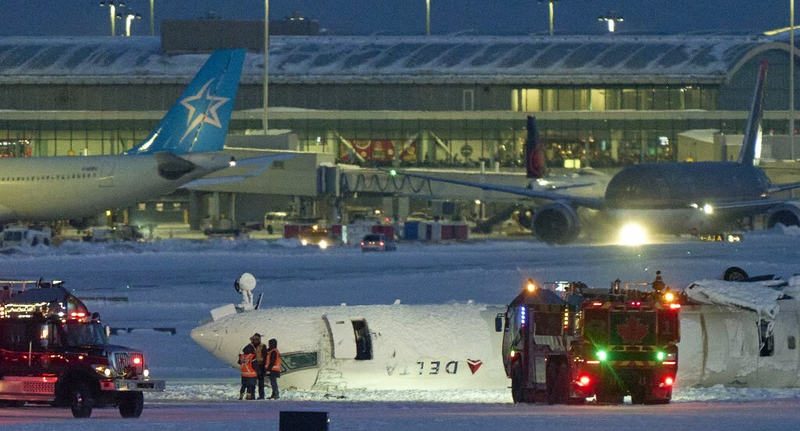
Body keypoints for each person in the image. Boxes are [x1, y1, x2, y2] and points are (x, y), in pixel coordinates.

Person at [245, 333, 269, 399]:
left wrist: (264, 368)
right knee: (252, 383)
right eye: (253, 339)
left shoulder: (263, 346)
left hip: (260, 366)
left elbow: (265, 357)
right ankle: (252, 396)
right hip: (253, 366)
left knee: (261, 382)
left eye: (256, 339)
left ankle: (261, 396)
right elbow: (244, 351)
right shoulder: (250, 346)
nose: (255, 340)